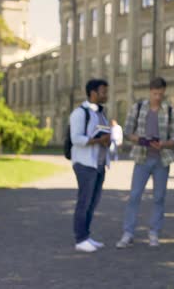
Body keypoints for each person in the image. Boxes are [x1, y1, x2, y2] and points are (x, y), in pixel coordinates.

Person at [116, 77, 174, 248]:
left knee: (159, 197)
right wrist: (140, 139)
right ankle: (128, 233)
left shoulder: (170, 111)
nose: (158, 97)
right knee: (134, 196)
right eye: (155, 93)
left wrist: (163, 144)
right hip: (142, 158)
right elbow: (127, 131)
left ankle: (154, 232)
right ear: (150, 91)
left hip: (161, 160)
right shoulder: (137, 108)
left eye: (161, 94)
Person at [69, 79, 111, 253]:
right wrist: (97, 140)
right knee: (84, 201)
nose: (106, 95)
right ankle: (80, 239)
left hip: (99, 164)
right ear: (93, 93)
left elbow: (103, 134)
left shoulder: (101, 113)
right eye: (103, 92)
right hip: (85, 164)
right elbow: (76, 138)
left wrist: (108, 141)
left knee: (93, 202)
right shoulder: (79, 113)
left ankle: (86, 236)